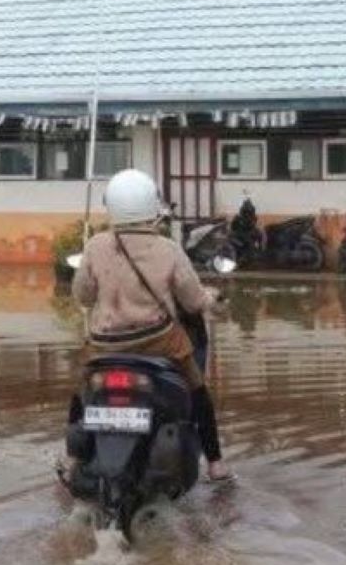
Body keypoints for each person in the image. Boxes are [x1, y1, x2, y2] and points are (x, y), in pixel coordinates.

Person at [67, 169, 232, 482]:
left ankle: (72, 456)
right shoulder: (168, 249)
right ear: (151, 206)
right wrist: (210, 299)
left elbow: (83, 296)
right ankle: (215, 463)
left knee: (81, 388)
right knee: (197, 391)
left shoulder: (96, 246)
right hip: (158, 342)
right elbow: (193, 300)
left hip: (104, 344)